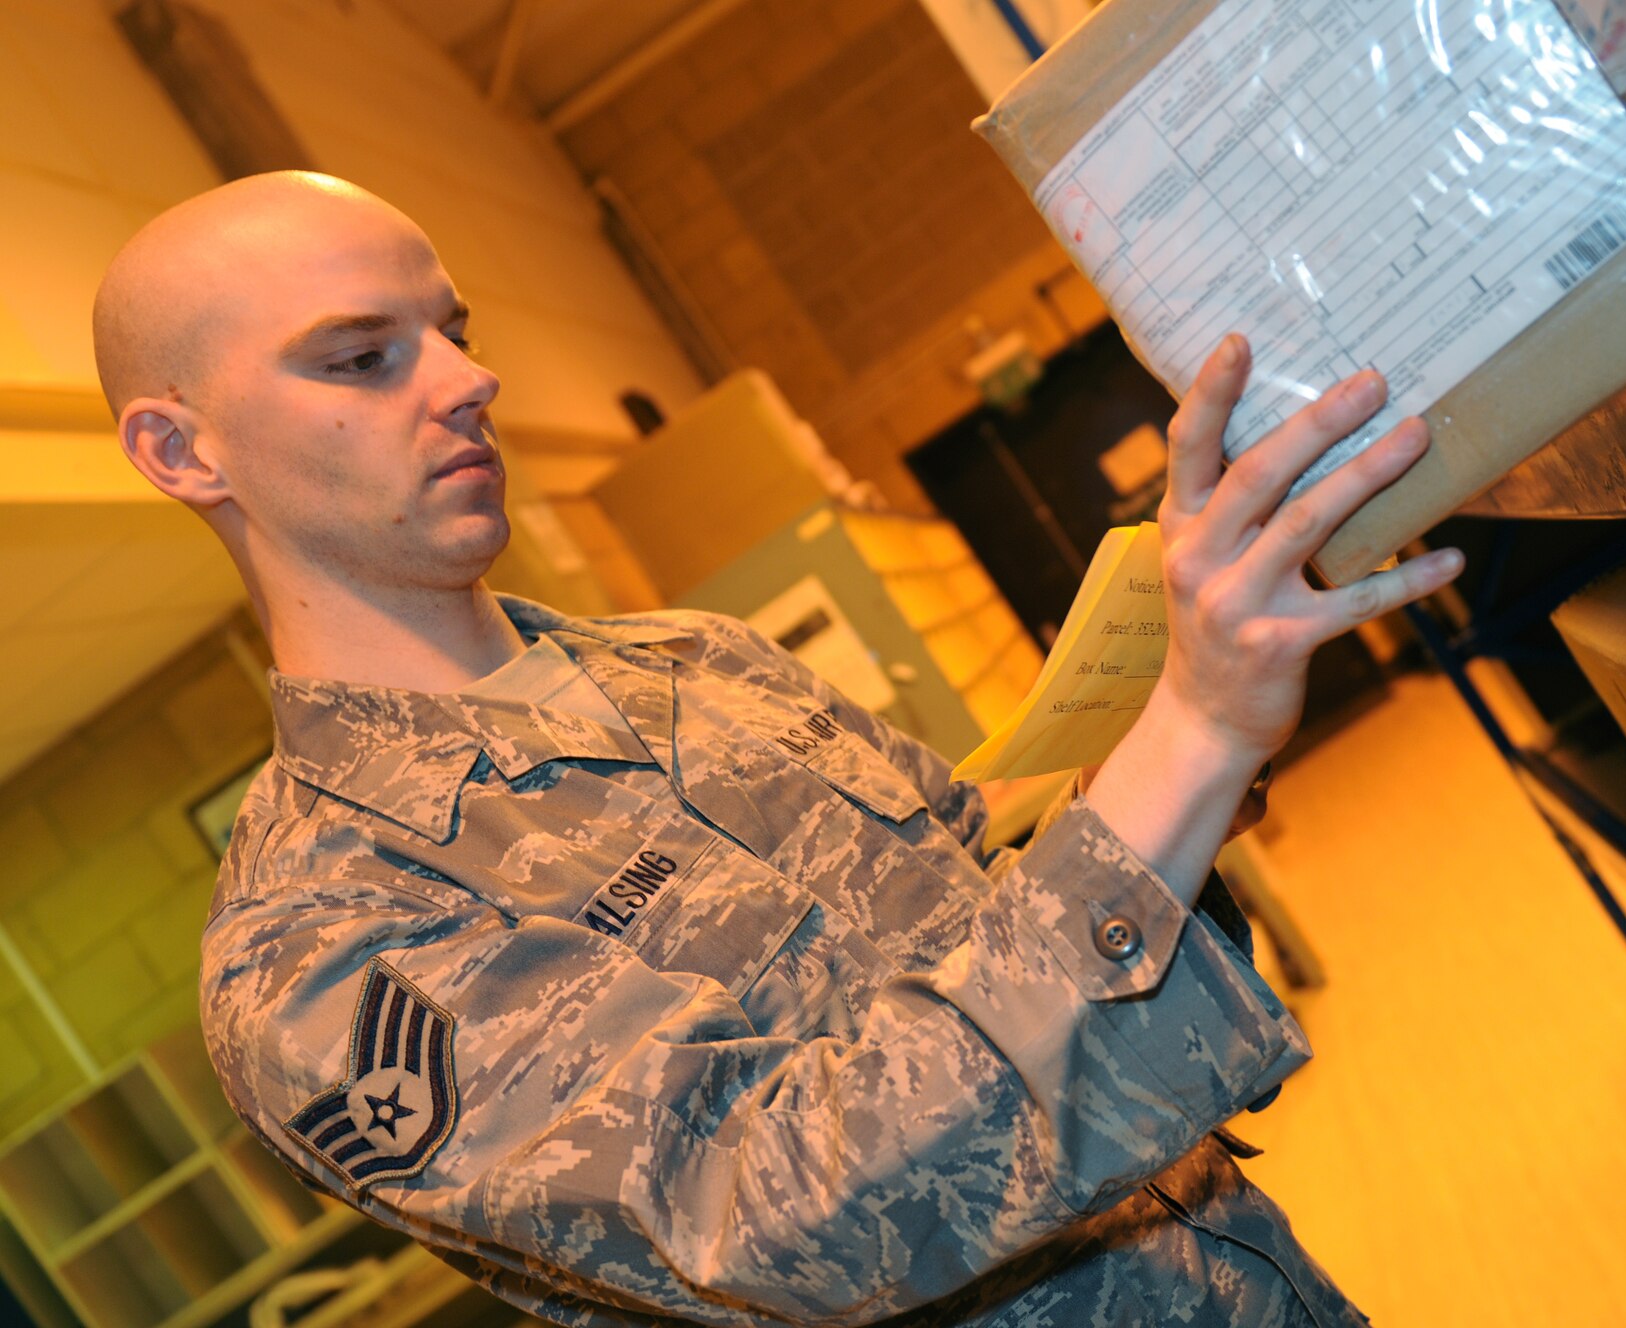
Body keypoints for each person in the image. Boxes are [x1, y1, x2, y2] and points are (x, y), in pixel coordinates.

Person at [95, 170, 1462, 1326]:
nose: (468, 378)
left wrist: (1179, 724)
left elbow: (983, 894)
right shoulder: (321, 943)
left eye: (453, 330)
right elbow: (771, 1212)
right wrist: (1195, 731)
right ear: (181, 449)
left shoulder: (697, 662)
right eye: (361, 356)